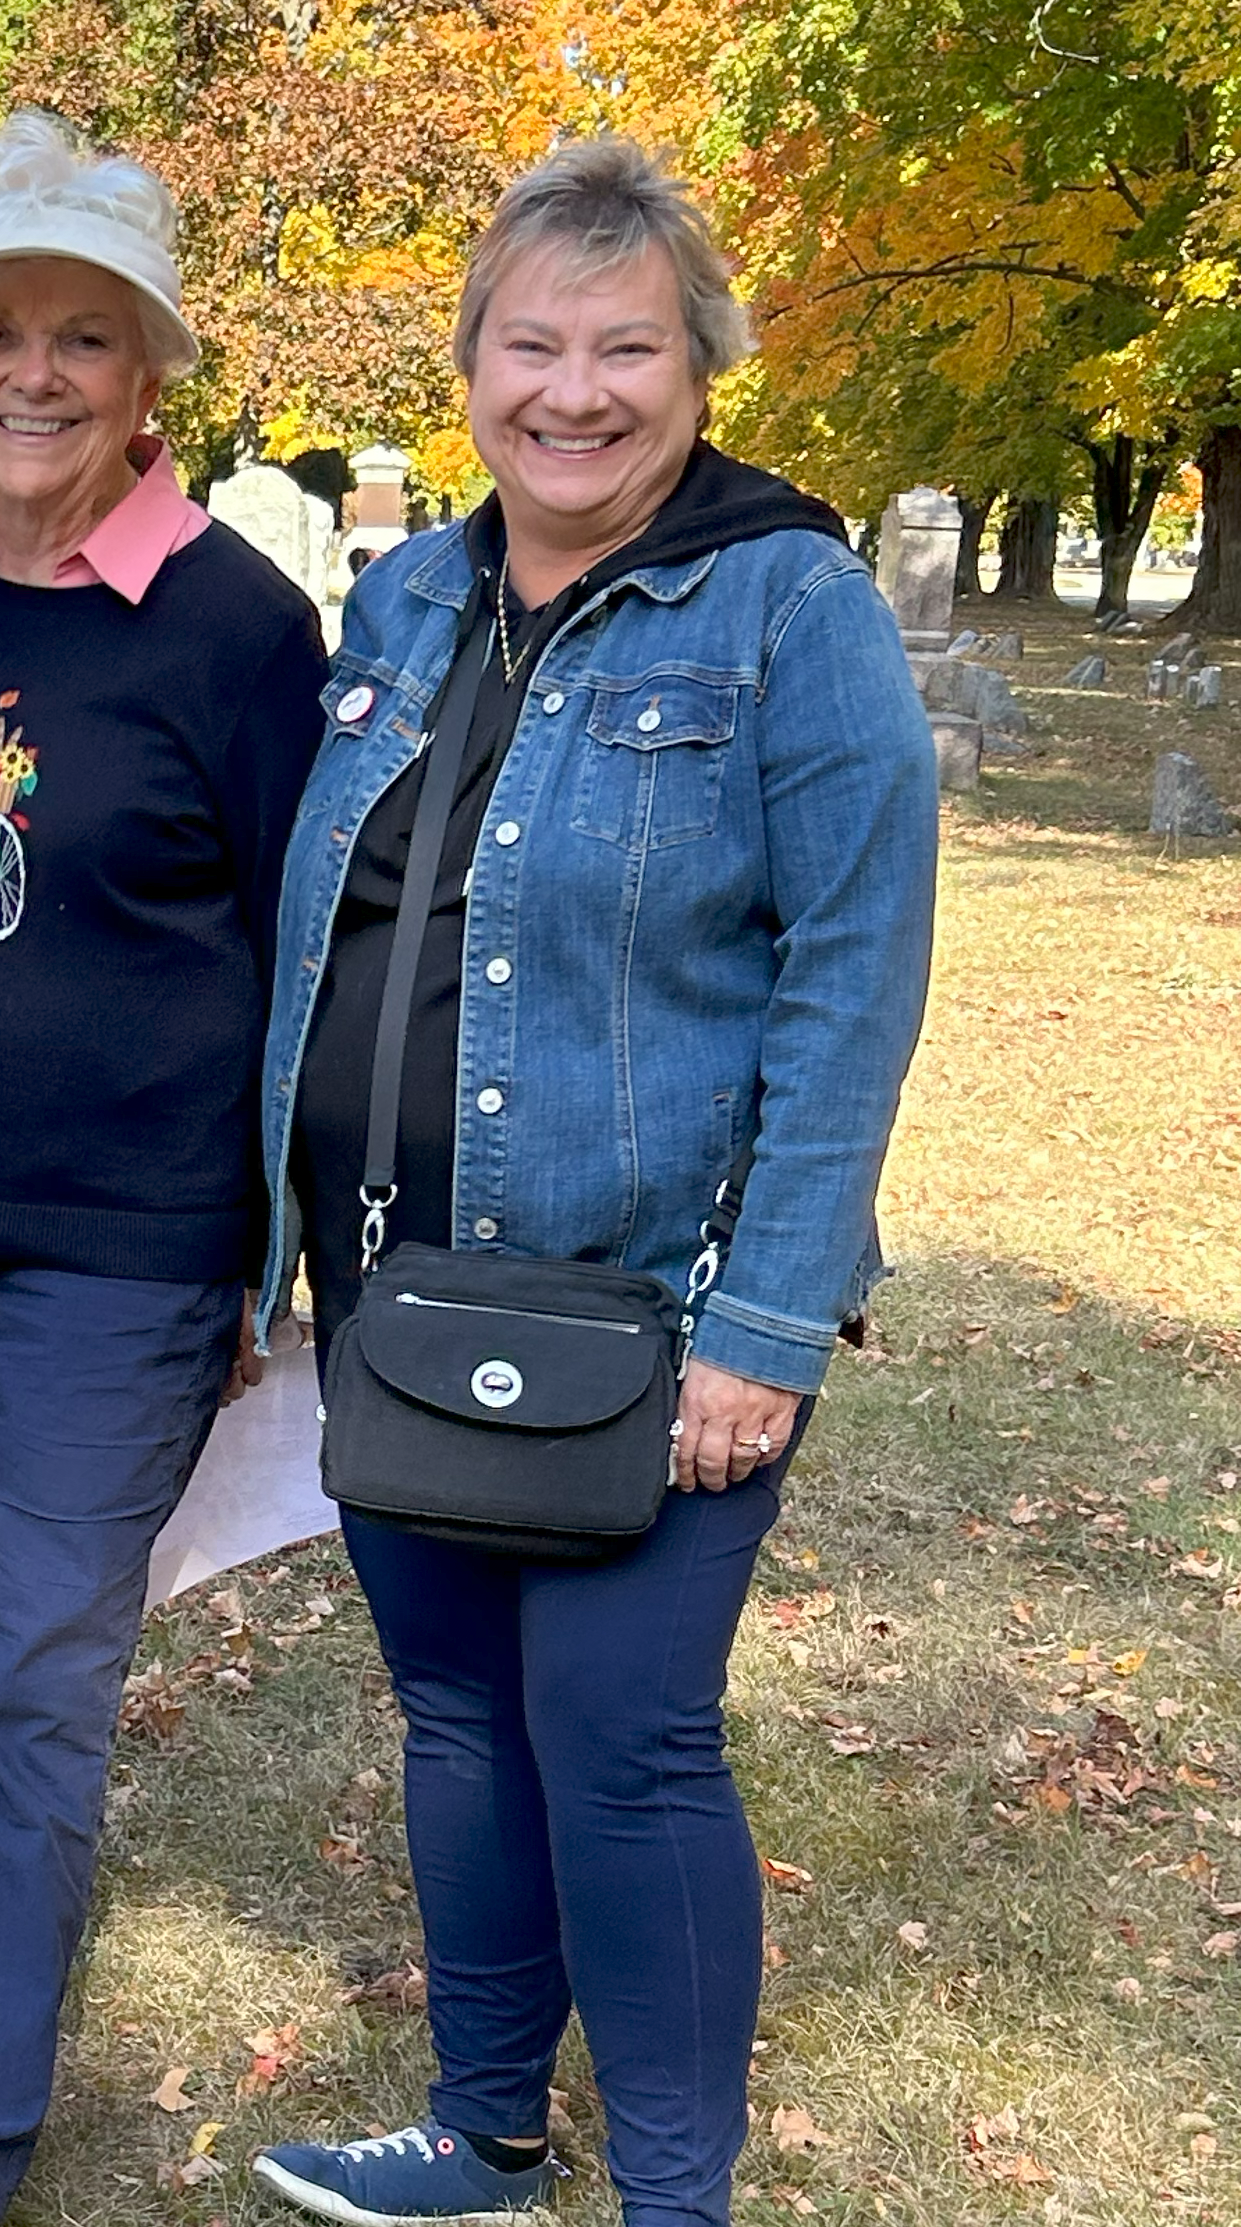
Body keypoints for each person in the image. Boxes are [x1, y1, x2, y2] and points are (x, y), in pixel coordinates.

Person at [246, 136, 938, 2227]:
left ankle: (673, 2197)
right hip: (394, 1292)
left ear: (699, 366)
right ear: (468, 363)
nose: (573, 389)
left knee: (622, 1745)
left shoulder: (783, 609)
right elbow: (334, 932)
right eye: (529, 343)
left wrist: (767, 1316)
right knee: (456, 1721)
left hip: (652, 1308)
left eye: (623, 345)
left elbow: (851, 979)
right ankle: (478, 2129)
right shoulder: (413, 595)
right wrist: (276, 1259)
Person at [0, 111, 331, 2227]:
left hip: (114, 1260)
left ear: (146, 378)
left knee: (27, 1682)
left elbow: (310, 954)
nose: (32, 373)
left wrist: (283, 1260)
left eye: (82, 338)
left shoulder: (232, 630)